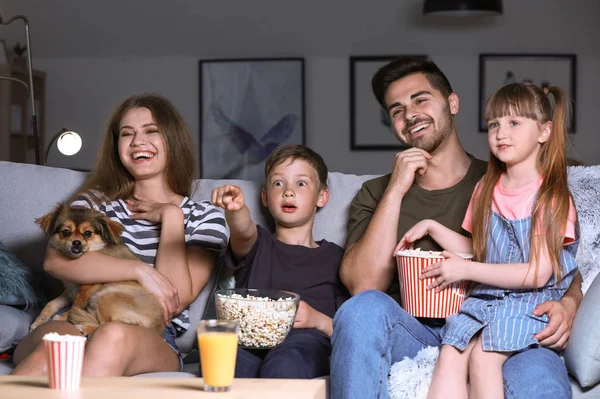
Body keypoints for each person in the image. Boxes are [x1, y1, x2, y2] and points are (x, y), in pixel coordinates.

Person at [330, 57, 583, 399]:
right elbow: (363, 288)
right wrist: (397, 188)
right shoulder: (377, 193)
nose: (410, 115)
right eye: (396, 110)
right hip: (415, 329)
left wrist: (570, 302)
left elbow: (555, 258)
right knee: (360, 311)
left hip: (504, 319)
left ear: (452, 103)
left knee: (538, 375)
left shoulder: (505, 179)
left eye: (420, 100)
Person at [11, 94, 228, 376]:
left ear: (173, 139)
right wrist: (139, 270)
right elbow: (56, 261)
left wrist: (171, 218)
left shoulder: (205, 215)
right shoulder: (94, 204)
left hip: (149, 333)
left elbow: (176, 297)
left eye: (151, 131)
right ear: (118, 147)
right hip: (73, 319)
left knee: (111, 336)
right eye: (127, 134)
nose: (138, 141)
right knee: (56, 349)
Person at [396, 82, 578, 398]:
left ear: (544, 132)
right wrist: (431, 227)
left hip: (529, 301)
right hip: (487, 298)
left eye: (514, 123)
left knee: (483, 355)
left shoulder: (549, 196)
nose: (500, 133)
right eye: (494, 123)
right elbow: (480, 251)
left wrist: (466, 272)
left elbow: (537, 273)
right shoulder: (486, 188)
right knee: (451, 352)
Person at [210, 144, 348, 379]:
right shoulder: (258, 244)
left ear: (322, 197)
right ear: (265, 196)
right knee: (222, 363)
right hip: (248, 339)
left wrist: (316, 319)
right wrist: (236, 209)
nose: (288, 191)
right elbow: (243, 230)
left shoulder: (335, 257)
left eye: (301, 183)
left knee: (286, 364)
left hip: (304, 342)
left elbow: (348, 331)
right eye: (278, 183)